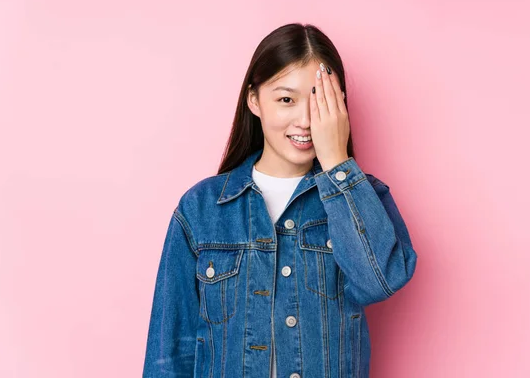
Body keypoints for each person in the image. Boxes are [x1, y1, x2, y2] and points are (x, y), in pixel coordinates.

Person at [142, 22, 418, 378]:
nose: (305, 120)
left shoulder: (364, 197)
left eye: (320, 100)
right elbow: (169, 351)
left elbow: (379, 281)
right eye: (286, 99)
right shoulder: (201, 210)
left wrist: (336, 162)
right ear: (254, 100)